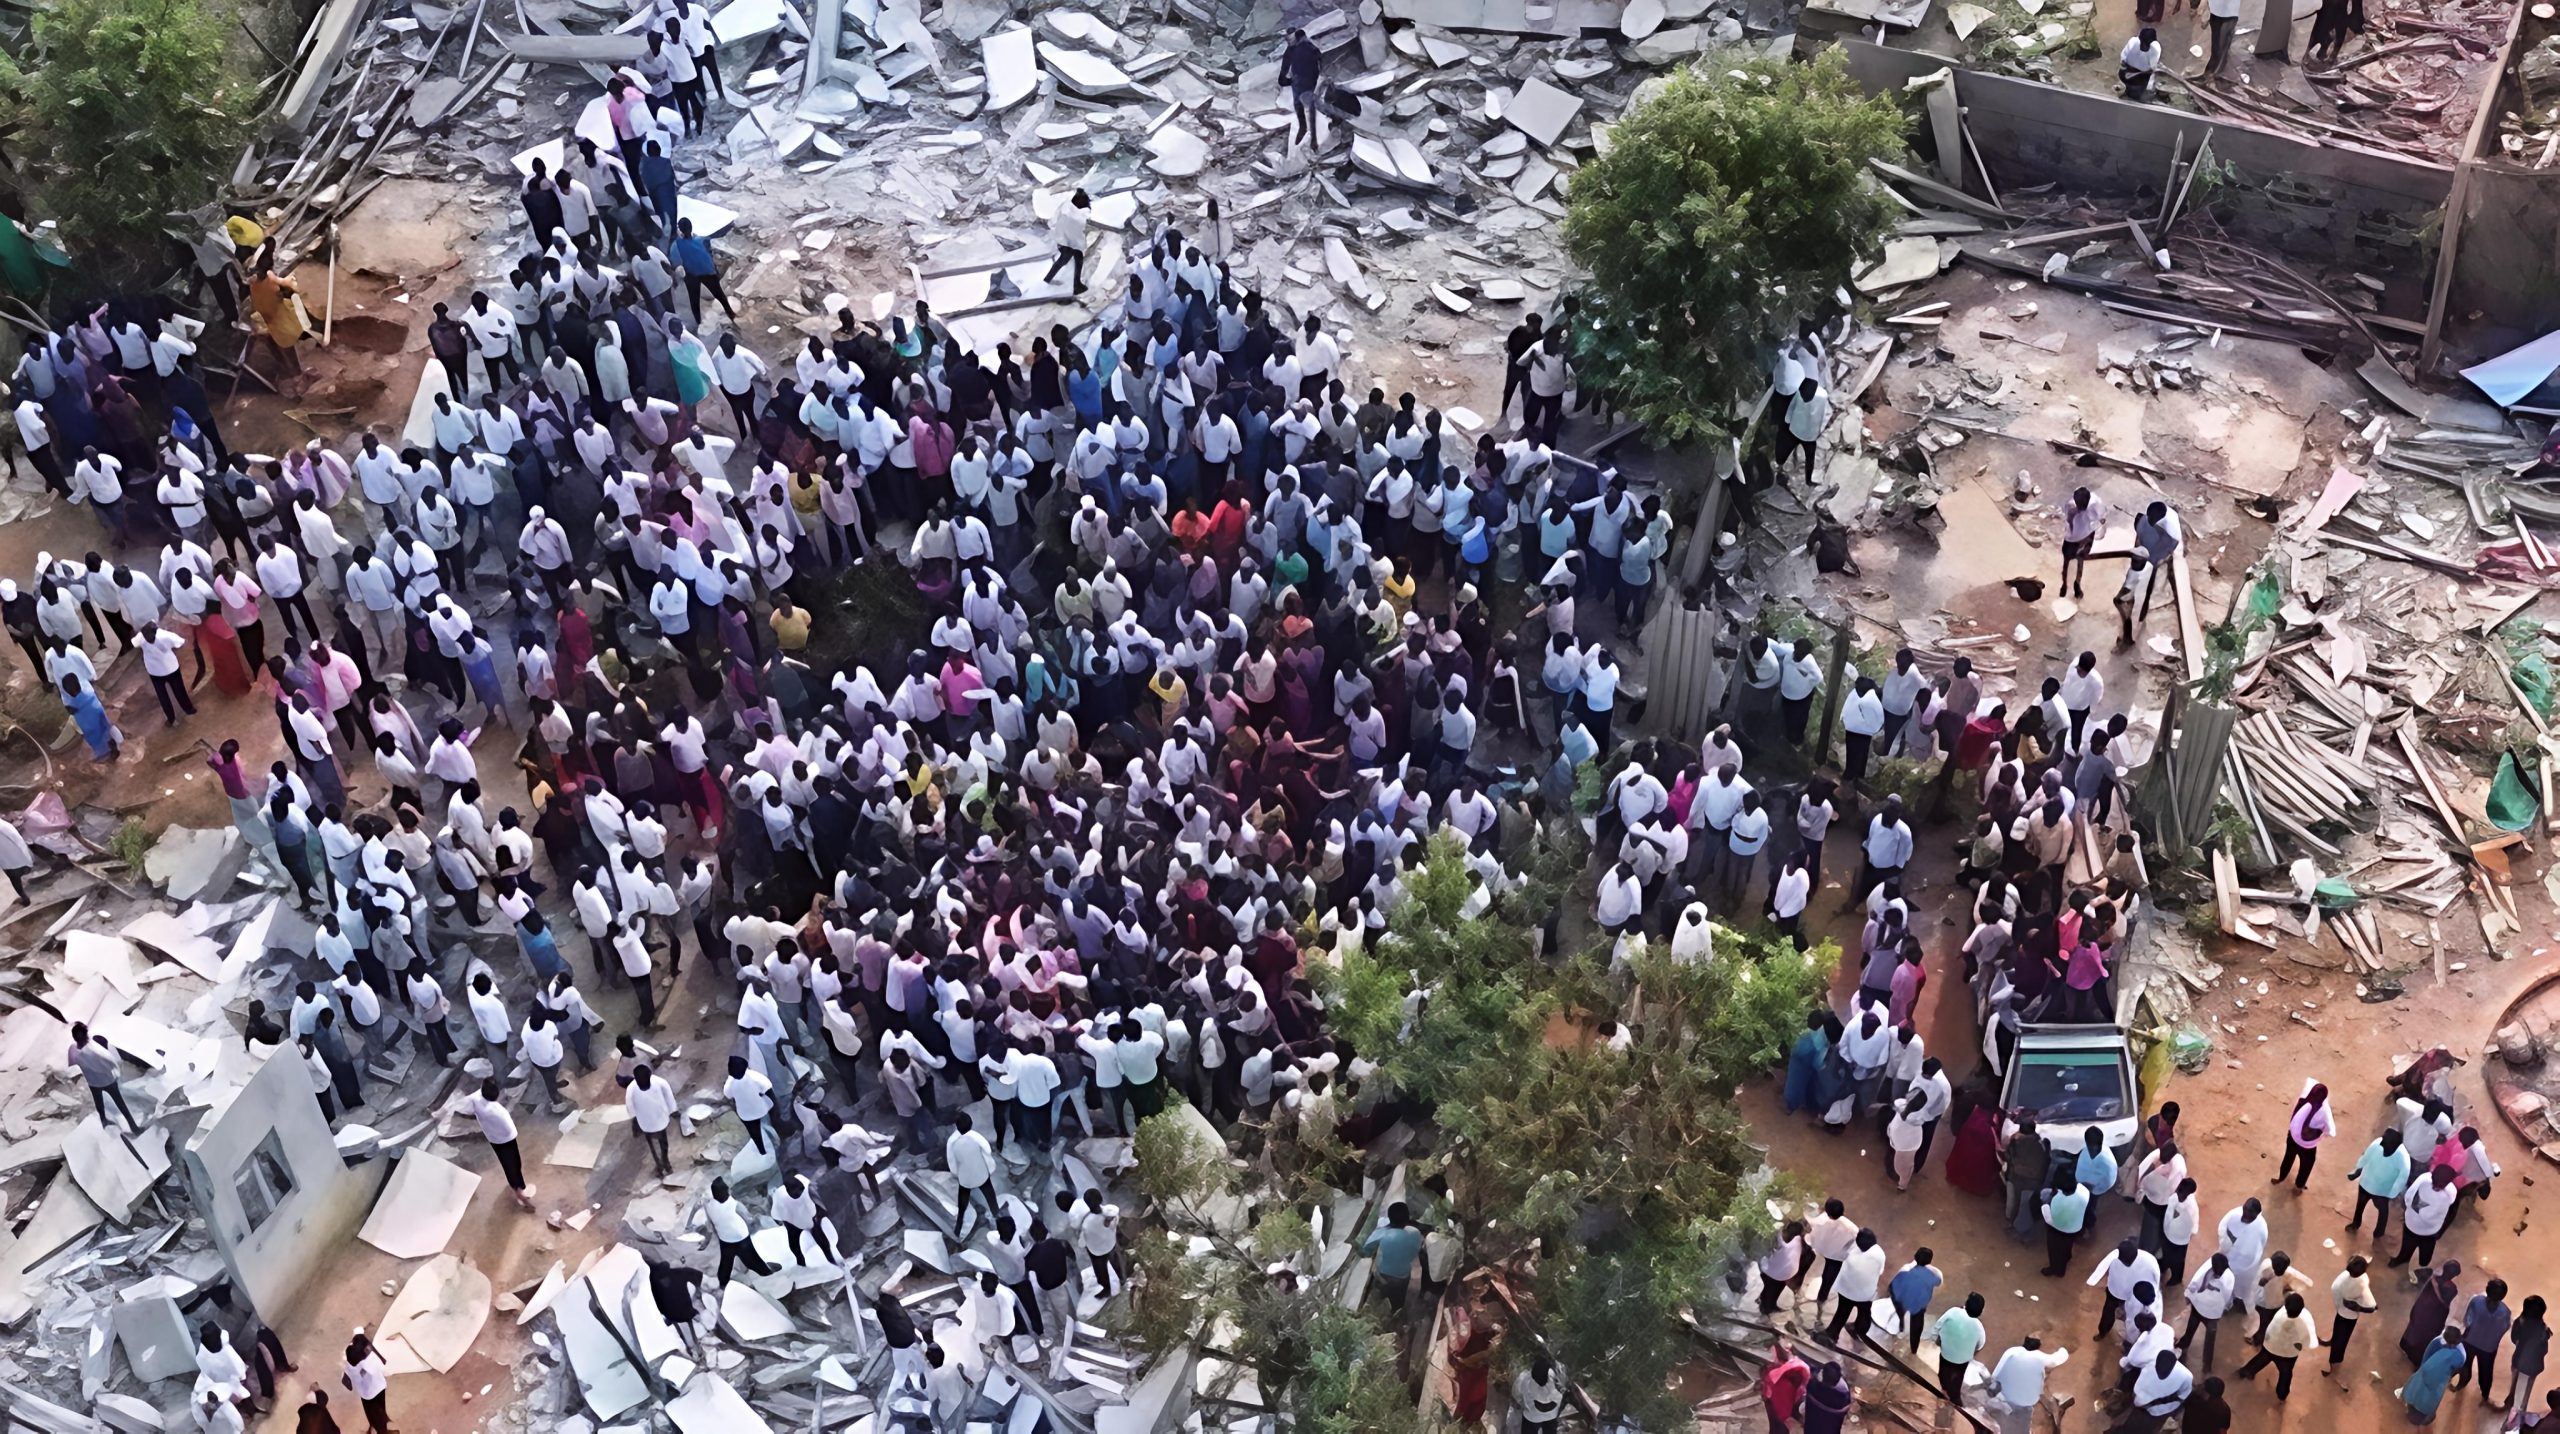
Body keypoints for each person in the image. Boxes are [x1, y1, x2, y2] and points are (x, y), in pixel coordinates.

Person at [2235, 1291, 2317, 1400]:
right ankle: (2282, 1394)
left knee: (2260, 1360)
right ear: (2301, 1309)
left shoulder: (2280, 1314)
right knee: (2285, 1374)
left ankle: (2245, 1372)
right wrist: (2298, 1347)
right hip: (2288, 1354)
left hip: (2271, 1347)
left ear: (2285, 1306)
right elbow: (2306, 1342)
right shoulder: (2304, 1321)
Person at [68, 1023, 142, 1133]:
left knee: (101, 1104)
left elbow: (72, 1066)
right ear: (86, 1035)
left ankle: (106, 1122)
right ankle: (133, 1127)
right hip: (106, 1081)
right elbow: (110, 1062)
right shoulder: (93, 1049)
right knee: (118, 1104)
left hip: (94, 1082)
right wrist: (115, 1073)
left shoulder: (74, 1049)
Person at [1987, 1337, 2068, 1434]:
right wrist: (2064, 1349)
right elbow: (2056, 1360)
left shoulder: (2012, 1351)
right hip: (2021, 1407)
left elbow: (1995, 1376)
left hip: (1999, 1398)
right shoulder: (2038, 1356)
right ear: (2038, 1347)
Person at [2402, 1325, 2467, 1425]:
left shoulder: (2442, 1345)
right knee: (2425, 1397)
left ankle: (2418, 1412)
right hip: (2433, 1378)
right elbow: (2456, 1365)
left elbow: (2427, 1358)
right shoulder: (2452, 1351)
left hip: (2431, 1376)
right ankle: (2420, 1414)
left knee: (2419, 1393)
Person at [2327, 1255, 2378, 1371]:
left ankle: (2333, 1343)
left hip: (2343, 1310)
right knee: (2341, 1339)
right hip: (2346, 1314)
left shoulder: (2345, 1281)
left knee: (2338, 1332)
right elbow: (2348, 1305)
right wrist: (2369, 1309)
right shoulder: (2350, 1285)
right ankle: (2334, 1362)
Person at [1934, 1292, 1988, 1402]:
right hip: (1963, 1360)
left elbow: (1937, 1326)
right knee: (1958, 1377)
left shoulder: (1953, 1312)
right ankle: (1955, 1396)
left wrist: (1938, 1339)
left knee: (1943, 1372)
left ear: (1966, 1304)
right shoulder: (1979, 1328)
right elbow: (1980, 1345)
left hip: (1946, 1353)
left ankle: (1943, 1389)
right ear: (1980, 1312)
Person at [340, 1330, 390, 1433]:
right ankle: (382, 1430)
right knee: (381, 1412)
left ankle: (373, 1427)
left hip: (365, 1394)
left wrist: (359, 1375)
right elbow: (384, 1369)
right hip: (378, 1389)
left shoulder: (349, 1364)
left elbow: (347, 1384)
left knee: (370, 1412)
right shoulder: (371, 1360)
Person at [1760, 1341, 1809, 1431]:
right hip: (1785, 1411)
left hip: (1777, 1410)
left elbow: (1769, 1394)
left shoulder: (1776, 1376)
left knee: (1776, 1428)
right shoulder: (1797, 1368)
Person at [2120, 26, 2163, 98]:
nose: (2143, 46)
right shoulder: (2156, 48)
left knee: (2130, 85)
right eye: (2142, 42)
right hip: (2139, 78)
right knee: (2138, 92)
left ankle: (2128, 91)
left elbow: (2123, 58)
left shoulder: (2133, 41)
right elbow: (2153, 66)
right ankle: (2134, 96)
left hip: (2126, 74)